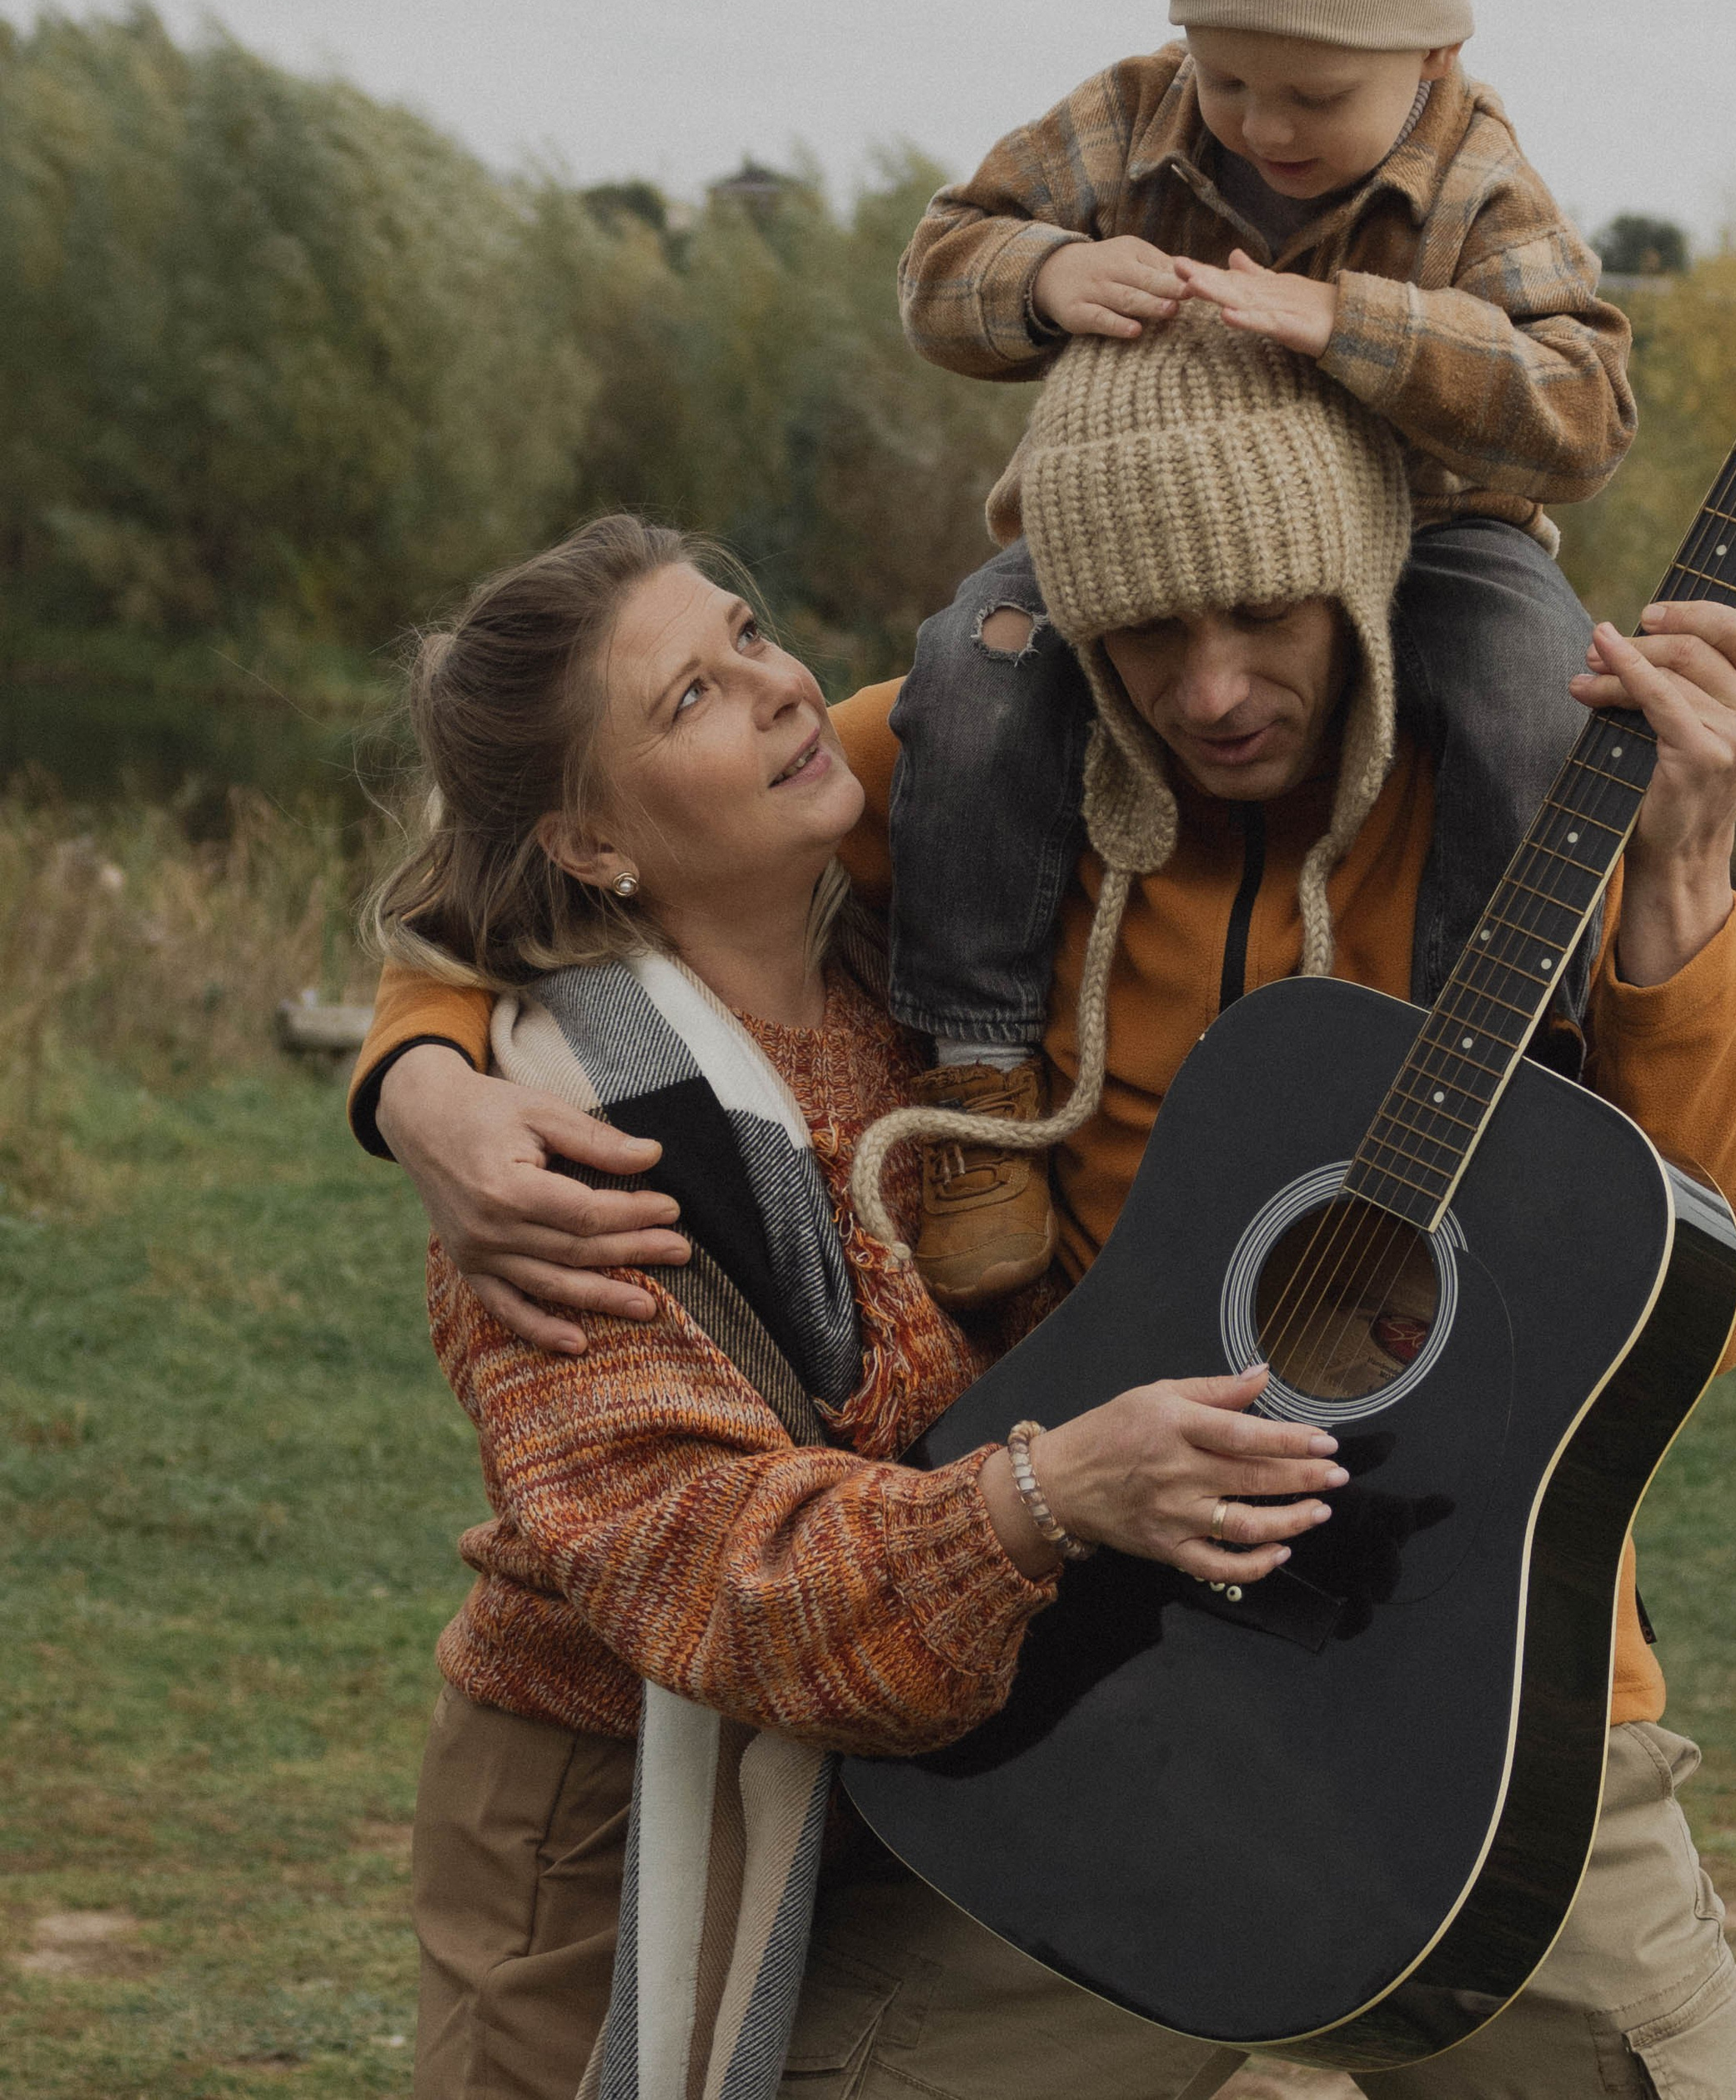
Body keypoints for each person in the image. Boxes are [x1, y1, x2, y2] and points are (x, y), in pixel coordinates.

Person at [357, 314, 1736, 2100]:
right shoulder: (969, 788)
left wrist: (1678, 888)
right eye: (1143, 629)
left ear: (1362, 583)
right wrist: (421, 1072)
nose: (1204, 688)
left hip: (1472, 1663)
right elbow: (535, 919)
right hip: (1081, 1679)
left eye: (1263, 607)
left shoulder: (1532, 786)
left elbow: (1702, 1296)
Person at [364, 512, 1345, 2100]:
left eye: (748, 631)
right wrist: (1050, 1494)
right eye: (687, 698)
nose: (776, 687)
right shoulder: (567, 1139)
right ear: (592, 844)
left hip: (940, 1763)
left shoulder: (938, 974)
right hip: (616, 1806)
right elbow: (709, 1570)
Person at [883, 0, 1637, 1305]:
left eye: (1314, 94)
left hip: (1430, 537)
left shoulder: (1469, 172)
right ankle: (982, 1077)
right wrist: (1037, 280)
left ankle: (1479, 1089)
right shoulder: (1130, 121)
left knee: (1534, 703)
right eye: (1229, 78)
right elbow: (935, 260)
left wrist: (1358, 324)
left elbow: (1581, 401)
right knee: (969, 672)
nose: (1263, 127)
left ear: (1430, 45)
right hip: (1147, 539)